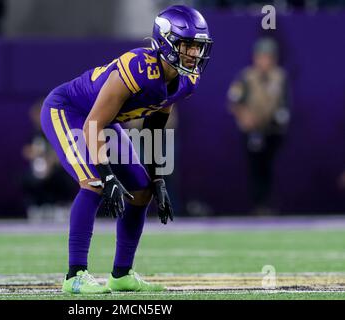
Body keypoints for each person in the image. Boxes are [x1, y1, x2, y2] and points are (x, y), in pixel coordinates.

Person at [41, 5, 213, 294]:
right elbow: (93, 123)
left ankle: (121, 274)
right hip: (71, 112)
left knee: (142, 190)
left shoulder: (185, 80)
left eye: (198, 47)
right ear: (167, 41)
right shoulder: (137, 66)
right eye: (187, 46)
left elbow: (155, 126)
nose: (194, 54)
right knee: (94, 182)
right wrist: (108, 176)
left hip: (103, 122)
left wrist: (157, 178)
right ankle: (75, 275)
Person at [228, 37, 290, 214]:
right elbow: (234, 100)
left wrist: (281, 117)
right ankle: (259, 205)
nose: (264, 61)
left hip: (273, 130)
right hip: (252, 130)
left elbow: (285, 103)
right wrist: (244, 117)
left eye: (268, 57)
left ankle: (270, 204)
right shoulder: (247, 76)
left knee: (270, 168)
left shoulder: (279, 77)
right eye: (261, 57)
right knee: (255, 169)